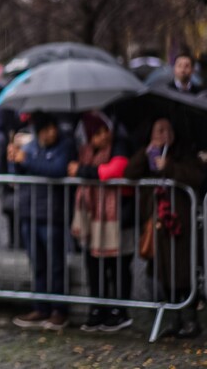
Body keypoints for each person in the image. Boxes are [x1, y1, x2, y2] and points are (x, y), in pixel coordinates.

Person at [124, 117, 205, 338]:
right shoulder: (149, 153)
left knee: (183, 271)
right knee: (163, 272)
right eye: (158, 130)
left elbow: (197, 176)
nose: (163, 134)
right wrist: (147, 152)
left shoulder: (184, 153)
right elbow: (130, 173)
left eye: (167, 130)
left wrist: (168, 166)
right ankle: (173, 318)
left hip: (180, 223)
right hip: (157, 222)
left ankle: (190, 318)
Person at [8, 112, 77, 331]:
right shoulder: (31, 147)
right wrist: (14, 159)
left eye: (52, 128)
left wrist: (26, 160)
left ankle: (59, 309)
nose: (50, 134)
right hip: (30, 211)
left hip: (52, 213)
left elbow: (56, 170)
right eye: (45, 130)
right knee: (37, 263)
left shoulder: (65, 146)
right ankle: (41, 306)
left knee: (55, 263)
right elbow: (18, 173)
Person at [68, 112, 134, 332]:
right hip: (93, 218)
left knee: (118, 265)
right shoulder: (85, 152)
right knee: (94, 264)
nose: (102, 136)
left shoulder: (120, 145)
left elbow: (115, 171)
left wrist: (84, 171)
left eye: (104, 131)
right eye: (96, 134)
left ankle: (120, 310)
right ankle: (98, 308)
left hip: (118, 216)